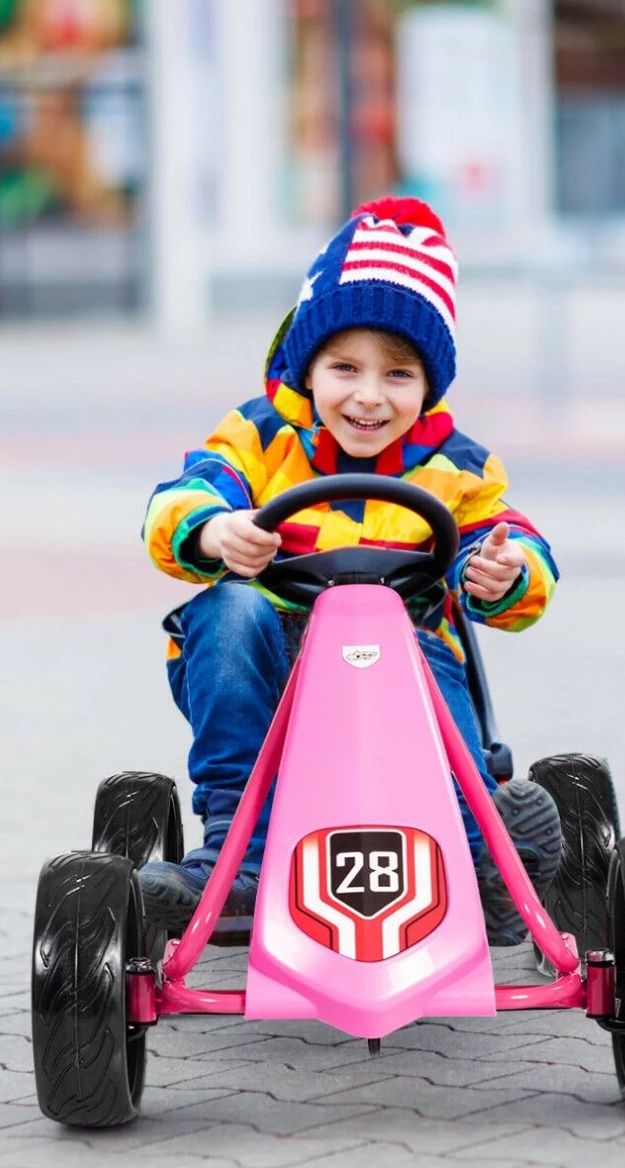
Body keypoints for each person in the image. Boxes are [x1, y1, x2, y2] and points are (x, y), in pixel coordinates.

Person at [140, 196, 561, 945]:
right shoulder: (259, 438)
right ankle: (239, 854)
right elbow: (186, 497)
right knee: (228, 609)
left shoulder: (455, 468)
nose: (368, 396)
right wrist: (213, 532)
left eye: (397, 375)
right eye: (344, 368)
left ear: (428, 385)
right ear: (308, 365)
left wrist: (506, 570)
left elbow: (508, 539)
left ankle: (479, 857)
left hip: (404, 661)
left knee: (432, 651)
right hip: (266, 668)